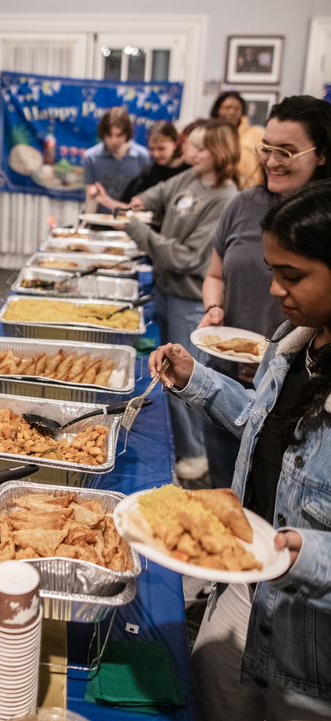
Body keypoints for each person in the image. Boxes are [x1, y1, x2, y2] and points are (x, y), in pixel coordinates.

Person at [148, 179, 331, 721]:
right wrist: (196, 380)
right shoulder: (292, 343)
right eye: (273, 270)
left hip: (314, 640)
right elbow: (262, 419)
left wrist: (307, 555)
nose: (274, 290)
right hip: (250, 582)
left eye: (293, 275)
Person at [198, 95, 331, 487]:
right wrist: (213, 308)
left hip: (299, 379)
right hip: (228, 370)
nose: (272, 160)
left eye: (286, 151)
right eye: (267, 148)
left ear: (321, 154)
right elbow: (215, 274)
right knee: (232, 485)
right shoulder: (243, 204)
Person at [124, 120, 240, 480]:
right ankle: (185, 448)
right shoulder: (190, 177)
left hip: (189, 301)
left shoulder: (225, 198)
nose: (190, 153)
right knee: (168, 373)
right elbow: (159, 192)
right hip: (166, 290)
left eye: (199, 148)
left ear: (218, 154)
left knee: (188, 380)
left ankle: (195, 455)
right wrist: (143, 201)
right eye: (191, 146)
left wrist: (139, 231)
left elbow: (188, 257)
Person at [82, 107, 150, 212]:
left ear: (127, 133)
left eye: (119, 135)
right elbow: (90, 198)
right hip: (99, 222)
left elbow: (145, 201)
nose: (114, 141)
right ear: (102, 134)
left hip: (131, 222)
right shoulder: (91, 157)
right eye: (109, 135)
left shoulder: (142, 156)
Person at [211, 90, 264, 189]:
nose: (231, 112)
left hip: (250, 193)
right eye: (227, 108)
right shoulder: (209, 135)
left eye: (236, 109)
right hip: (216, 191)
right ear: (217, 110)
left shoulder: (257, 134)